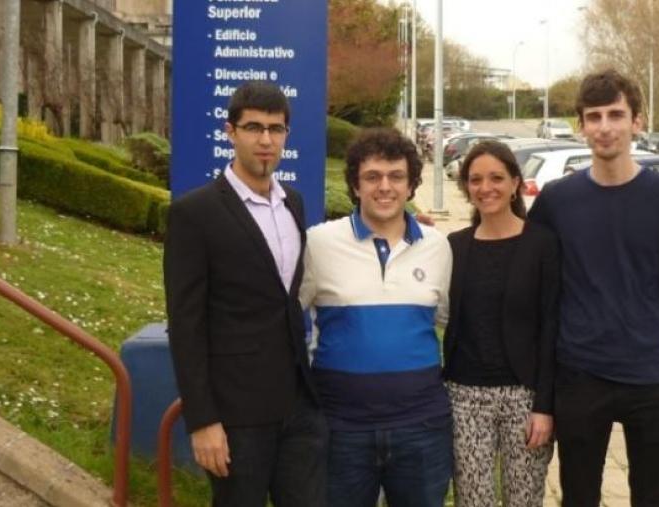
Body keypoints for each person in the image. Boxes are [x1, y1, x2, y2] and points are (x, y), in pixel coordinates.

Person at [528, 69, 659, 507]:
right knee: (579, 496)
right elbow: (535, 287)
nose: (605, 126)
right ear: (581, 126)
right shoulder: (556, 199)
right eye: (594, 116)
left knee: (652, 496)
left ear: (637, 121)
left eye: (616, 114)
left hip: (651, 375)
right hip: (580, 374)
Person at [164, 81, 327, 507]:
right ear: (230, 131)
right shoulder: (193, 213)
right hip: (236, 417)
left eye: (276, 128)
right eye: (254, 127)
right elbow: (186, 325)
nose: (266, 140)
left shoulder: (293, 202)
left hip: (298, 407)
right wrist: (203, 422)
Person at [299, 128, 453, 507]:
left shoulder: (438, 246)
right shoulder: (318, 243)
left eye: (396, 176)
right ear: (355, 185)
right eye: (372, 177)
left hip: (421, 428)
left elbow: (449, 320)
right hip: (342, 428)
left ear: (412, 185)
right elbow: (282, 321)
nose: (385, 187)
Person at [443, 140, 558, 507]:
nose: (485, 187)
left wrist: (544, 406)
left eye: (496, 178)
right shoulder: (455, 246)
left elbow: (551, 328)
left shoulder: (542, 244)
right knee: (473, 499)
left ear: (515, 184)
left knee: (523, 499)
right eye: (475, 180)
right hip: (465, 396)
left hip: (524, 398)